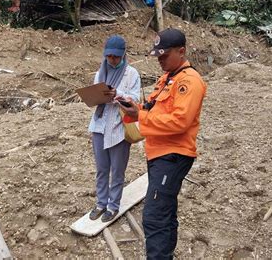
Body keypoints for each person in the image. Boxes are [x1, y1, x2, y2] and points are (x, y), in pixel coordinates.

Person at [118, 28, 206, 259]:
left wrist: (141, 117)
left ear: (181, 51)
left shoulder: (190, 82)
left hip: (173, 155)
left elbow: (180, 122)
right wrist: (133, 108)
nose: (160, 60)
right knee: (164, 213)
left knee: (155, 216)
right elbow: (152, 110)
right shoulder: (167, 78)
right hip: (159, 154)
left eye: (164, 55)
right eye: (158, 56)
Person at [88, 35, 141, 223]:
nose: (112, 60)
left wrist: (117, 94)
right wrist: (94, 96)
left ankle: (113, 206)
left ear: (123, 54)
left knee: (117, 170)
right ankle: (101, 203)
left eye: (116, 57)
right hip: (100, 124)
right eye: (109, 56)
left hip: (119, 126)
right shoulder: (100, 72)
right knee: (102, 169)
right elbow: (95, 94)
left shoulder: (131, 73)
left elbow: (136, 99)